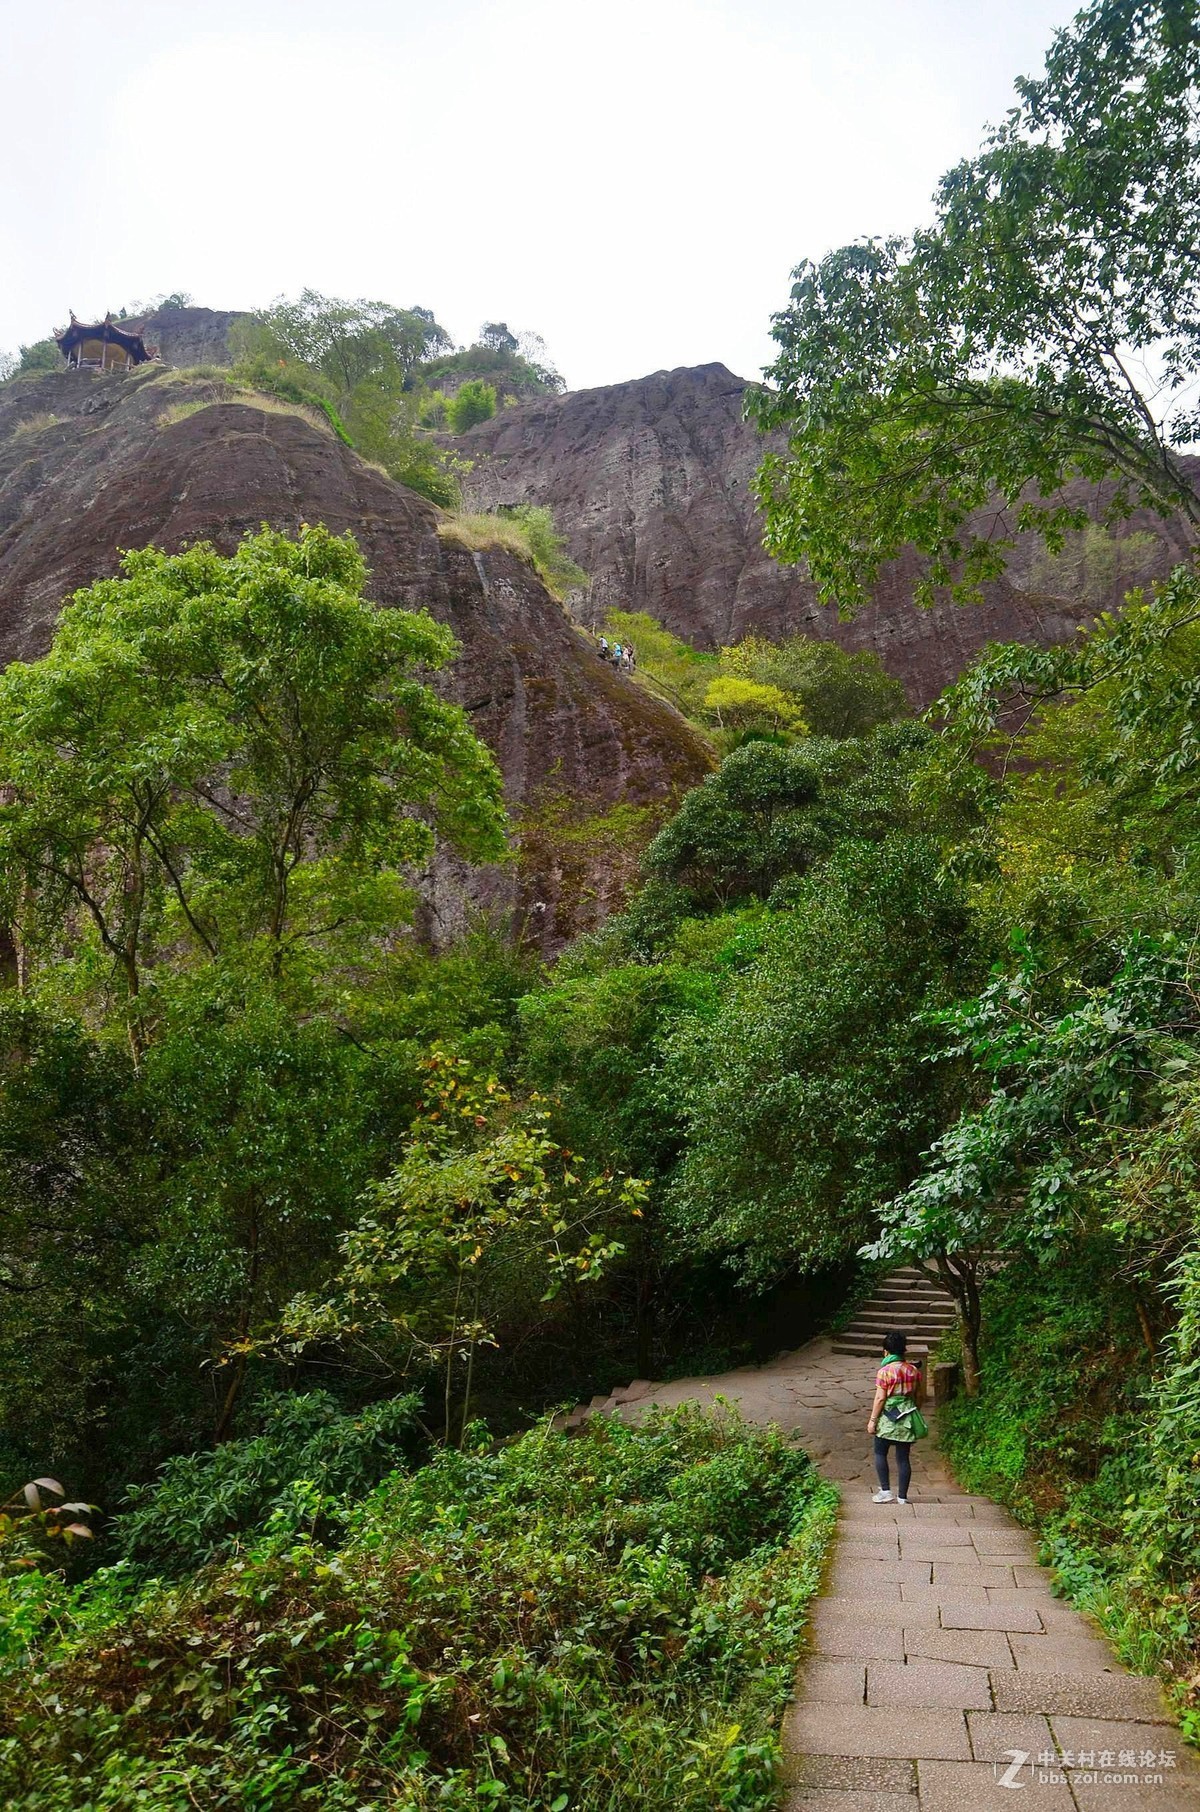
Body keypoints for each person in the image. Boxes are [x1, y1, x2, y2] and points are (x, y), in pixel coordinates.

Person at [866, 1330, 927, 1504]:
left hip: (887, 1417)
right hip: (907, 1416)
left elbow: (880, 1398)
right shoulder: (913, 1371)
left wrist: (872, 1421)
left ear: (886, 1351)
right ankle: (902, 1497)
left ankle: (885, 1491)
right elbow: (919, 1396)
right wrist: (914, 1411)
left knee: (880, 1452)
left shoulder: (884, 1372)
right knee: (903, 1457)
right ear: (903, 1351)